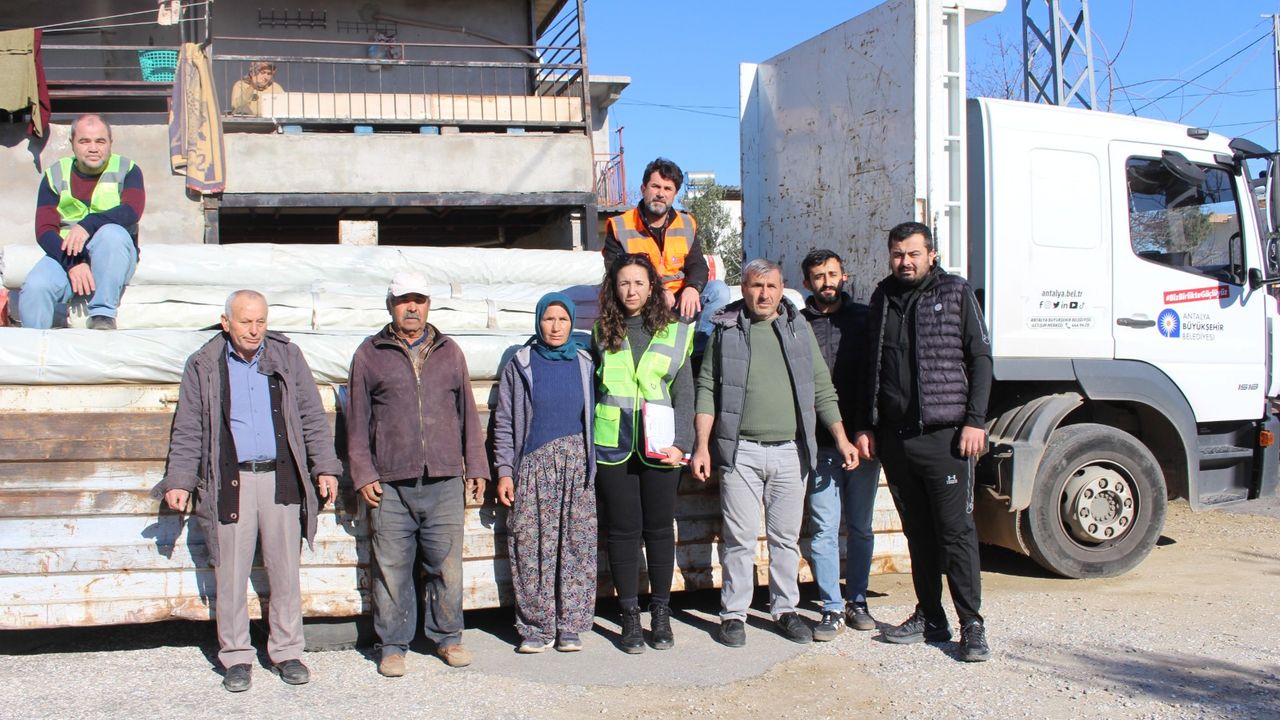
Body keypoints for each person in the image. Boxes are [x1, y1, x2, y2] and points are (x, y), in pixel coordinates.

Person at [154, 290, 341, 692]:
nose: (255, 330)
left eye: (260, 321)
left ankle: (287, 651)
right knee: (231, 573)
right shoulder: (204, 363)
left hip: (281, 477)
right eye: (245, 322)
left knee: (285, 570)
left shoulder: (287, 356)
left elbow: (311, 414)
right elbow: (188, 427)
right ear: (226, 323)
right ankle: (236, 656)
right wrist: (180, 480)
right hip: (230, 480)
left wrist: (325, 466)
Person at [691, 258, 859, 648]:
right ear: (744, 289)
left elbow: (822, 387)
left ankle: (785, 610)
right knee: (739, 538)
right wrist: (701, 446)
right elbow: (707, 389)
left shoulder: (798, 328)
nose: (764, 294)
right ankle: (733, 615)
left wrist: (842, 438)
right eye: (756, 286)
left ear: (782, 290)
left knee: (785, 538)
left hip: (790, 452)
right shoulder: (725, 330)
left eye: (771, 286)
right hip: (740, 453)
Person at [856, 221, 993, 662]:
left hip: (946, 438)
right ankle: (931, 616)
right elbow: (871, 366)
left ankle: (972, 625)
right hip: (897, 439)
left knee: (956, 533)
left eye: (913, 253)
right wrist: (867, 425)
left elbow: (980, 357)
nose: (905, 261)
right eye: (898, 254)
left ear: (931, 254)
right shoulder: (882, 296)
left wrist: (975, 421)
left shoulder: (955, 292)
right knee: (917, 533)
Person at [346, 271, 489, 676]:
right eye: (403, 300)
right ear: (390, 305)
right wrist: (363, 473)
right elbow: (356, 420)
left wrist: (476, 466)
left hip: (444, 478)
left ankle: (449, 638)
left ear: (428, 305)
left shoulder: (449, 351)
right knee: (391, 569)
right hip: (390, 483)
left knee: (447, 566)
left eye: (419, 300)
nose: (412, 307)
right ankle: (392, 646)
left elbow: (467, 414)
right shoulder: (370, 353)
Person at [591, 253, 694, 654]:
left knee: (659, 529)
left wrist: (682, 443)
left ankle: (661, 613)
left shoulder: (675, 332)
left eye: (638, 282)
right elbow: (594, 390)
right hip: (613, 444)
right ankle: (629, 616)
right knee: (622, 530)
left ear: (652, 287)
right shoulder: (601, 332)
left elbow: (685, 392)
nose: (631, 290)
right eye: (623, 283)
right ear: (613, 289)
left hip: (661, 445)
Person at [492, 292, 597, 653]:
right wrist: (505, 471)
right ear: (538, 322)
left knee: (576, 545)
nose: (555, 327)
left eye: (563, 319)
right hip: (533, 466)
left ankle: (570, 625)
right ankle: (536, 627)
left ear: (572, 323)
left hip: (576, 465)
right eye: (549, 319)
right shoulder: (521, 364)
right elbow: (504, 422)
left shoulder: (585, 363)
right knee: (531, 546)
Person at [799, 248, 882, 641]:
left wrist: (868, 428)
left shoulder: (864, 320)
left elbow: (876, 378)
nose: (826, 282)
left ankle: (858, 600)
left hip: (862, 440)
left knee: (861, 526)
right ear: (807, 283)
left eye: (832, 274)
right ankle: (831, 606)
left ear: (843, 277)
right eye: (819, 276)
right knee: (824, 528)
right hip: (819, 444)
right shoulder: (797, 324)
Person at [20, 114, 143, 330]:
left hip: (114, 255)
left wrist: (88, 224)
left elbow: (132, 211)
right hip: (67, 254)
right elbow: (44, 230)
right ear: (72, 144)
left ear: (110, 143)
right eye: (84, 141)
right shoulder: (54, 174)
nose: (93, 148)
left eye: (100, 141)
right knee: (35, 287)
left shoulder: (128, 169)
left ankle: (102, 315)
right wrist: (73, 264)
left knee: (111, 233)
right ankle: (35, 346)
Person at [602, 157, 730, 348]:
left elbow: (697, 264)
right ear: (643, 189)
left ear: (675, 194)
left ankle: (699, 352)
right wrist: (657, 291)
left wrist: (692, 288)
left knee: (718, 291)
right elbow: (615, 271)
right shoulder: (620, 226)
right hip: (642, 300)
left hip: (679, 302)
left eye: (667, 189)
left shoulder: (686, 223)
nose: (661, 194)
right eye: (655, 186)